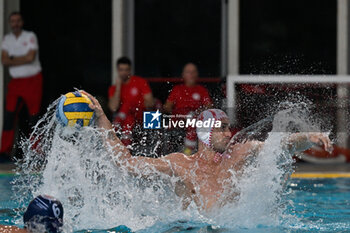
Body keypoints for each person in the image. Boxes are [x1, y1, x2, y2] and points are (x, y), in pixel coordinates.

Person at [83, 91, 333, 211]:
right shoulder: (179, 164)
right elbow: (126, 163)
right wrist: (102, 117)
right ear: (205, 133)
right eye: (222, 128)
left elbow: (281, 144)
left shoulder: (240, 154)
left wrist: (309, 137)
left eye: (228, 127)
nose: (229, 133)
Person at [0, 12, 43, 161]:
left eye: (18, 21)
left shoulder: (30, 36)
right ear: (9, 24)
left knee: (34, 118)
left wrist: (13, 58)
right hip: (16, 82)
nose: (15, 24)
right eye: (12, 21)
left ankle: (36, 153)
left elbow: (30, 57)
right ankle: (4, 152)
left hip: (33, 81)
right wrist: (21, 58)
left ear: (22, 22)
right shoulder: (7, 39)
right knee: (9, 117)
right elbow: (4, 60)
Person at [163, 63, 212, 155]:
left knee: (193, 119)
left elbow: (208, 107)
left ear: (197, 74)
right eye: (188, 72)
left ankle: (187, 153)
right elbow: (167, 107)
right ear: (183, 75)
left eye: (193, 72)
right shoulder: (177, 89)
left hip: (195, 119)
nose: (191, 75)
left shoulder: (201, 90)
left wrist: (198, 112)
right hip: (178, 119)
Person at [108, 57, 154, 146]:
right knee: (128, 119)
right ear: (117, 70)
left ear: (130, 70)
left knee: (128, 104)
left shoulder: (140, 82)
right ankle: (127, 149)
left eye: (126, 70)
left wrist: (135, 106)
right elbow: (113, 108)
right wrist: (118, 88)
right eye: (121, 70)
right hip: (127, 119)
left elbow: (150, 103)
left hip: (142, 116)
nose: (124, 73)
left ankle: (115, 127)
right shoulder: (114, 88)